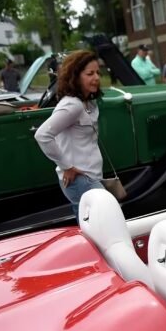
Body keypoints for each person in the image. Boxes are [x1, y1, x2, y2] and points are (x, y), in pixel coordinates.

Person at [34, 50, 104, 219]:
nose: (96, 78)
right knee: (103, 224)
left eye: (98, 73)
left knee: (96, 228)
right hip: (81, 179)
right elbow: (42, 135)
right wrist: (66, 166)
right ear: (75, 76)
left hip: (90, 176)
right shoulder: (73, 105)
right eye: (89, 73)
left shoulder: (88, 102)